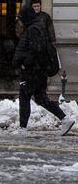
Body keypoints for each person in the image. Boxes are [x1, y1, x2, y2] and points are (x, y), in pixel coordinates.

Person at [13, 8, 74, 136]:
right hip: (38, 71)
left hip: (32, 72)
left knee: (24, 97)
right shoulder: (38, 28)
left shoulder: (32, 30)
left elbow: (36, 50)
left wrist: (25, 63)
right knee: (41, 98)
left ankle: (23, 128)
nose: (20, 21)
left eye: (21, 18)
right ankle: (65, 119)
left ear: (26, 18)